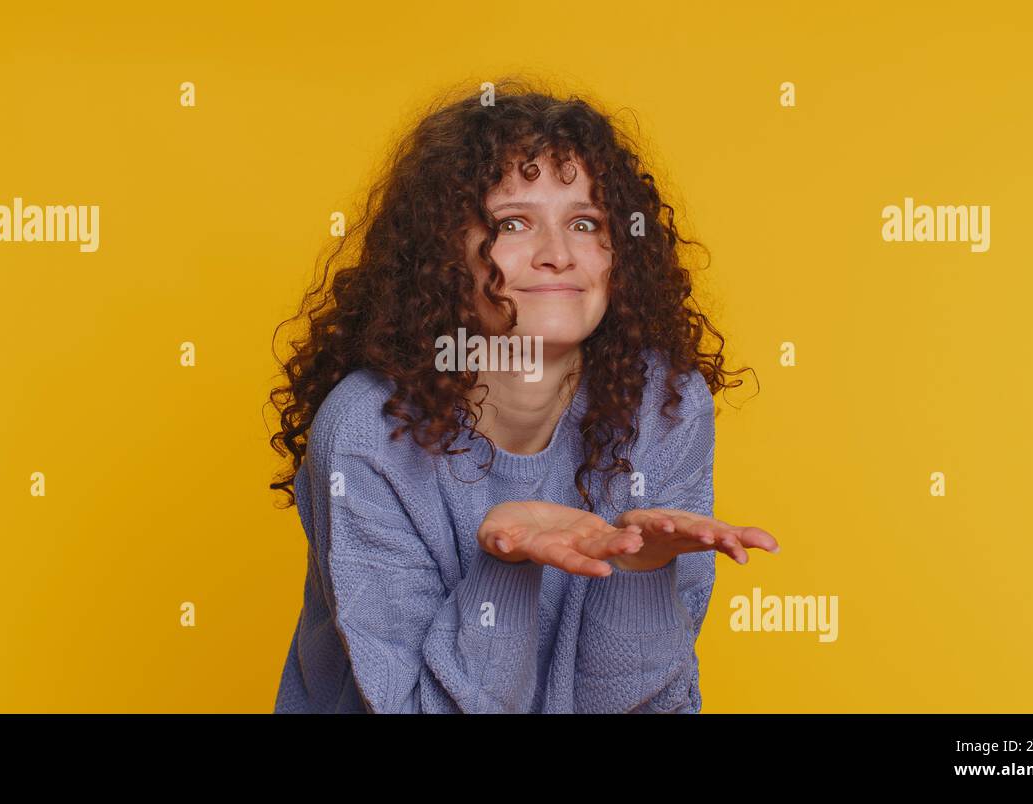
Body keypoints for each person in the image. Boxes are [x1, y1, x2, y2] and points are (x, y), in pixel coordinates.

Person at [266, 79, 778, 713]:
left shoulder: (664, 406)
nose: (557, 255)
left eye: (585, 223)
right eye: (513, 223)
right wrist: (505, 571)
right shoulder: (369, 430)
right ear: (440, 253)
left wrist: (641, 575)